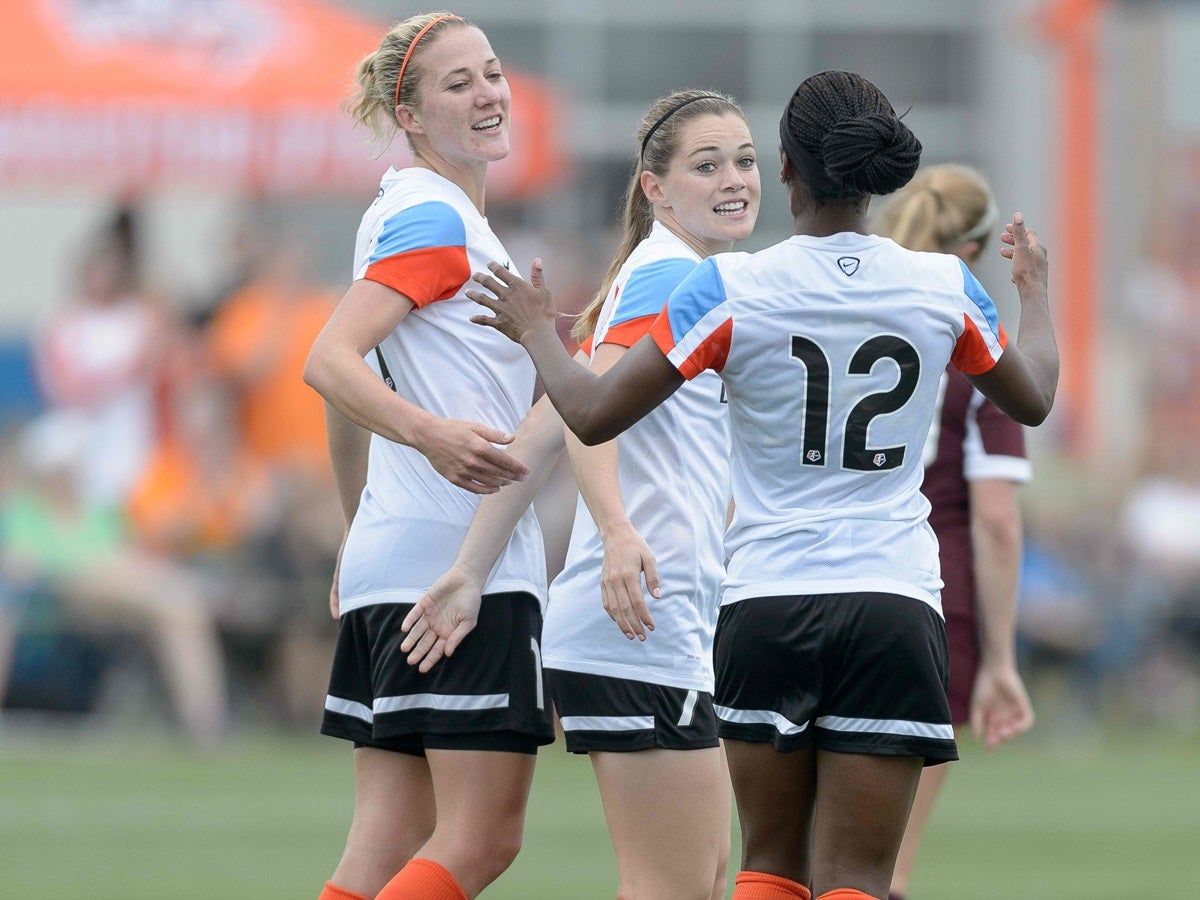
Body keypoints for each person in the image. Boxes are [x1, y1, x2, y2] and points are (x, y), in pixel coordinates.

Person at [462, 70, 1058, 900]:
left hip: (767, 603)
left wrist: (538, 332)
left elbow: (592, 415)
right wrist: (1033, 293)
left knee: (769, 866)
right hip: (892, 600)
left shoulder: (730, 286)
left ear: (784, 168)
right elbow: (1034, 398)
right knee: (857, 875)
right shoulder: (943, 285)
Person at [402, 89, 761, 899]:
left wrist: (470, 569)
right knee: (673, 886)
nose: (735, 179)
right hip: (638, 617)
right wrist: (617, 531)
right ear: (656, 188)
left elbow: (547, 422)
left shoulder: (677, 275)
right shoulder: (668, 274)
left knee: (699, 880)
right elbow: (586, 421)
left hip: (654, 616)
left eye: (744, 161)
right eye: (707, 166)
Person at [301, 13, 548, 900]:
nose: (488, 93)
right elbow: (328, 361)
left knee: (387, 848)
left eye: (492, 72)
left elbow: (345, 389)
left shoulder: (404, 212)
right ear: (408, 115)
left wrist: (357, 529)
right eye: (458, 83)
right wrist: (428, 433)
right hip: (458, 561)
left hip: (395, 555)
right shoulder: (435, 217)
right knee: (480, 839)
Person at [875, 165, 1036, 900]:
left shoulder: (836, 312)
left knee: (792, 859)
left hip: (802, 588)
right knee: (883, 869)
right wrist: (1000, 658)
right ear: (971, 250)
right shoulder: (974, 349)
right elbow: (996, 520)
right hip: (927, 606)